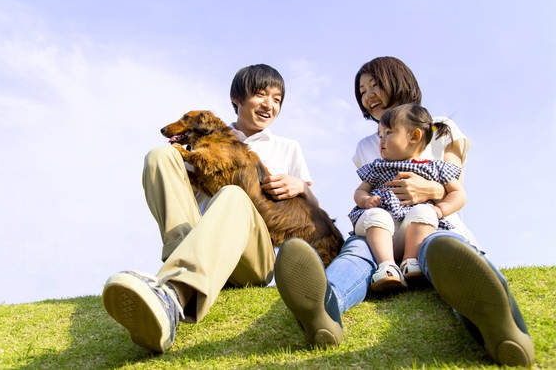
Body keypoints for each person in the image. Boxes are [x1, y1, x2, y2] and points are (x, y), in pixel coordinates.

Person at [274, 56, 535, 366]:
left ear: (398, 81)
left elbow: (453, 185)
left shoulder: (440, 128)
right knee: (356, 253)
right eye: (362, 91)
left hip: (430, 223)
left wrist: (432, 192)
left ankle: (500, 326)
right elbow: (365, 191)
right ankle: (324, 308)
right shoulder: (365, 147)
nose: (368, 96)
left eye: (375, 85)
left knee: (446, 252)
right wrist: (366, 202)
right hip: (381, 229)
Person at [102, 63, 319, 353]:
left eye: (277, 99)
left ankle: (173, 296)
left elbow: (312, 211)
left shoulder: (287, 147)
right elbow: (178, 186)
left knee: (233, 194)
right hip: (200, 239)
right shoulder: (202, 137)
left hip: (252, 258)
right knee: (159, 156)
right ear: (237, 99)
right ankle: (182, 266)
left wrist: (302, 187)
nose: (269, 105)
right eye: (260, 95)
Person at [349, 104, 466, 292]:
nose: (381, 141)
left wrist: (441, 209)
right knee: (378, 215)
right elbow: (360, 191)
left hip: (411, 229)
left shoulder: (434, 167)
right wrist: (365, 201)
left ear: (414, 136)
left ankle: (410, 261)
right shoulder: (378, 166)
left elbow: (458, 193)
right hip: (380, 229)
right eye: (380, 135)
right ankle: (386, 266)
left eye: (388, 133)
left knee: (425, 211)